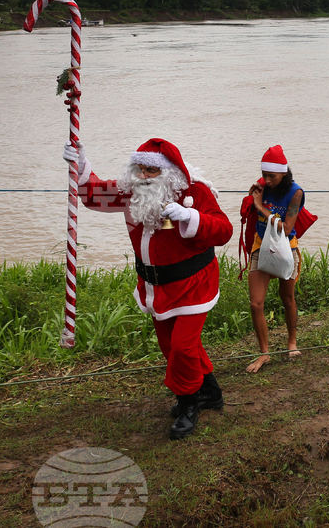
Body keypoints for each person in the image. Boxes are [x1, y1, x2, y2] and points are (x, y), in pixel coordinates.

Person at [63, 138, 233, 440]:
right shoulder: (132, 193)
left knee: (181, 346)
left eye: (151, 170)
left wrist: (190, 217)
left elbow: (224, 230)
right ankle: (210, 393)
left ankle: (187, 403)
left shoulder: (194, 191)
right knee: (172, 347)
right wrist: (80, 163)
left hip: (194, 283)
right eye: (139, 168)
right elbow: (92, 195)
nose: (143, 176)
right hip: (156, 286)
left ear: (168, 171)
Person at [240, 146, 305, 374]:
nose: (267, 180)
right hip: (261, 247)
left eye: (272, 176)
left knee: (287, 299)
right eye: (264, 174)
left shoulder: (295, 193)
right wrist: (252, 199)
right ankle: (264, 353)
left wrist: (260, 207)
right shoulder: (262, 187)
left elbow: (287, 229)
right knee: (256, 304)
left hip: (286, 248)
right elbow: (250, 211)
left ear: (284, 174)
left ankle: (292, 342)